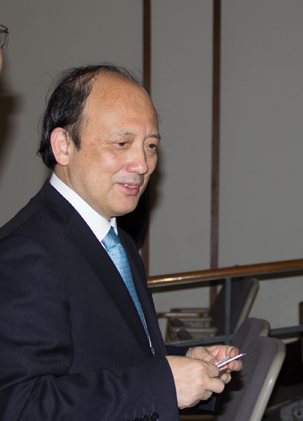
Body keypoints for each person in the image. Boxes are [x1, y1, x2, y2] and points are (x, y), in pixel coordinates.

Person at [0, 65, 242, 420]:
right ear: (63, 145)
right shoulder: (27, 251)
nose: (142, 164)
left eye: (151, 145)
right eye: (121, 143)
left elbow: (103, 355)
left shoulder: (117, 239)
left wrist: (184, 362)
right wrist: (161, 384)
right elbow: (18, 404)